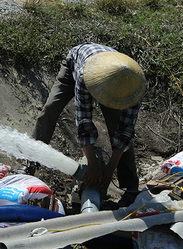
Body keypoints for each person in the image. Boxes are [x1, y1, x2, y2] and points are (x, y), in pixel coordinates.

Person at [30, 42, 146, 207]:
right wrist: (92, 163)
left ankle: (131, 187)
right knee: (50, 109)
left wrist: (110, 168)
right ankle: (30, 163)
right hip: (78, 62)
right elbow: (84, 121)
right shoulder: (85, 75)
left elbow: (126, 130)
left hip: (115, 77)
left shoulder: (135, 85)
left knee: (117, 126)